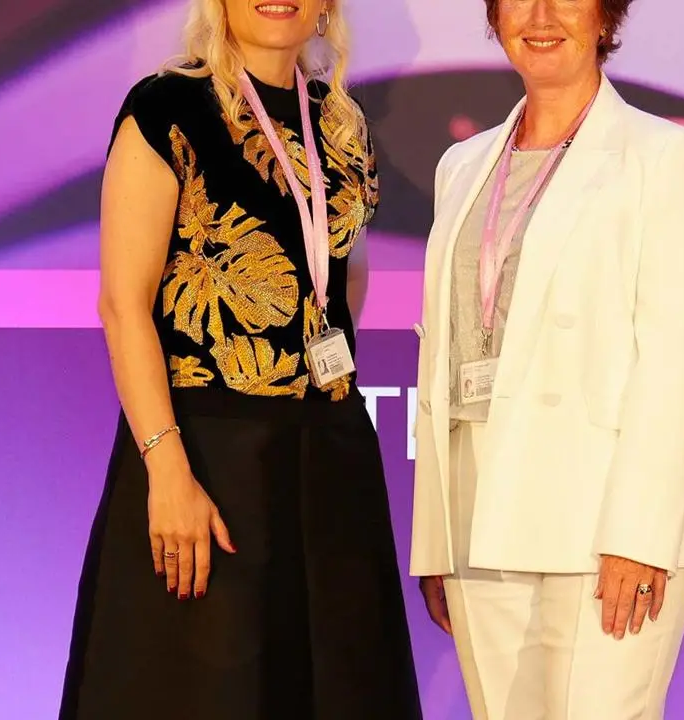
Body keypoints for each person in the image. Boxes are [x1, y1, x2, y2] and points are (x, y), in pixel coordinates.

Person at [58, 1, 421, 717]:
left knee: (337, 688)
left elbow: (345, 276)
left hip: (329, 459)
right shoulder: (167, 108)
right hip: (209, 458)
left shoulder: (338, 124)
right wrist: (166, 467)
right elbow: (123, 304)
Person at [407, 0, 684, 717]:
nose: (541, 14)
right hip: (478, 515)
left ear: (606, 15)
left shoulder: (664, 156)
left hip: (600, 524)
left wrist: (639, 536)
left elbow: (672, 362)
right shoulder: (461, 166)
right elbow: (444, 361)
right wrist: (436, 540)